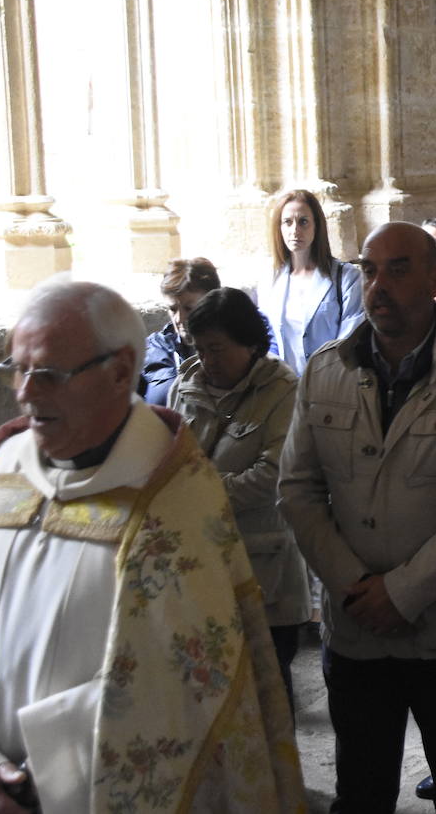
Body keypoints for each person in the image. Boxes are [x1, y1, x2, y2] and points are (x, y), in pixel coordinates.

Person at [0, 280, 304, 813]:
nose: (25, 392)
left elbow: (178, 679)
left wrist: (30, 783)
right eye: (16, 367)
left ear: (122, 371)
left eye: (49, 374)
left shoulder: (173, 497)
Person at [278, 222, 436, 813]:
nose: (379, 285)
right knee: (362, 790)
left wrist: (403, 593)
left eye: (398, 269)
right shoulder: (326, 371)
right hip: (356, 630)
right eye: (369, 270)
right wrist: (355, 587)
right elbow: (298, 489)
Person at [168, 287, 311, 708]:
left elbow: (272, 475)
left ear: (249, 344)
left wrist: (197, 494)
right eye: (200, 348)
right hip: (199, 564)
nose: (207, 360)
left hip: (263, 565)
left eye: (217, 349)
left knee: (267, 694)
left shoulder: (282, 390)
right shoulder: (186, 386)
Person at [261, 188, 365, 376]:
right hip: (284, 390)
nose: (295, 230)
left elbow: (350, 340)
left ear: (317, 227)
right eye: (287, 222)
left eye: (303, 222)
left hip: (330, 387)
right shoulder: (270, 281)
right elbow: (267, 339)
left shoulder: (347, 278)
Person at [141, 256, 221, 406]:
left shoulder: (234, 352)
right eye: (173, 309)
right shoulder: (154, 349)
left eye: (189, 308)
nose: (179, 318)